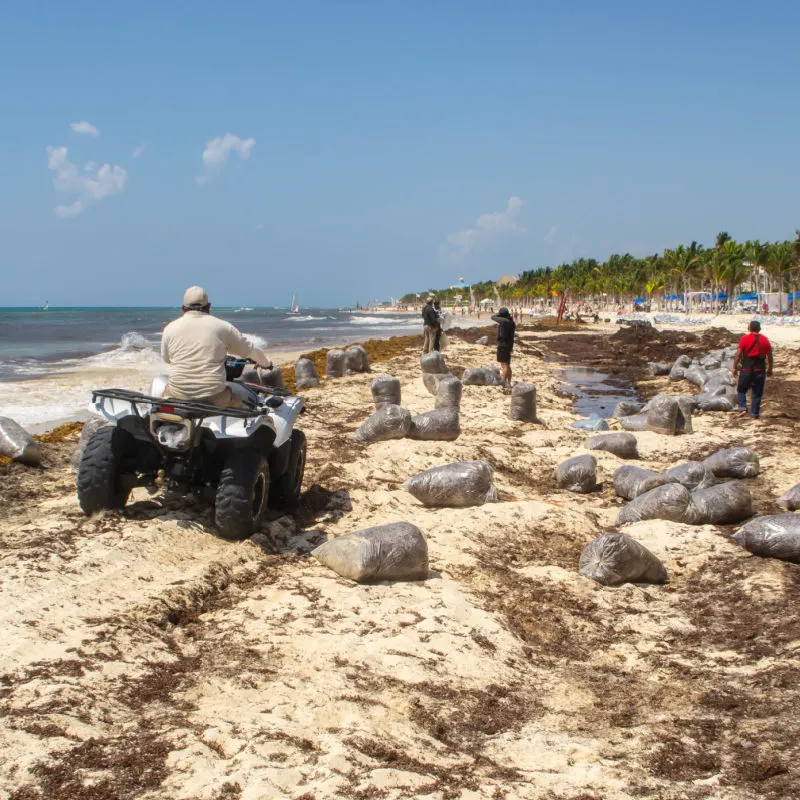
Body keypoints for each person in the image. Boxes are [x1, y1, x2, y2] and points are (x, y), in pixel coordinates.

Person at [161, 286, 271, 408]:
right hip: (213, 396)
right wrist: (266, 363)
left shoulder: (170, 329)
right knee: (245, 408)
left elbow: (166, 359)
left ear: (183, 308)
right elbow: (250, 350)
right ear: (208, 307)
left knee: (162, 401)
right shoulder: (223, 327)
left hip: (178, 393)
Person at [732, 320, 773, 420]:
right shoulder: (765, 340)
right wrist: (770, 369)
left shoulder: (745, 339)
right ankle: (754, 414)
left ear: (749, 328)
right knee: (757, 393)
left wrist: (734, 367)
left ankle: (742, 408)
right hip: (760, 370)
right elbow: (770, 356)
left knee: (741, 390)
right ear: (759, 329)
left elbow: (738, 354)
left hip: (746, 368)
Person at [491, 307, 516, 384]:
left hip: (503, 344)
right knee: (508, 365)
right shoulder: (512, 322)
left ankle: (503, 382)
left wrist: (498, 314)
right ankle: (509, 382)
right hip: (509, 345)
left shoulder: (504, 321)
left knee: (504, 365)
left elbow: (493, 317)